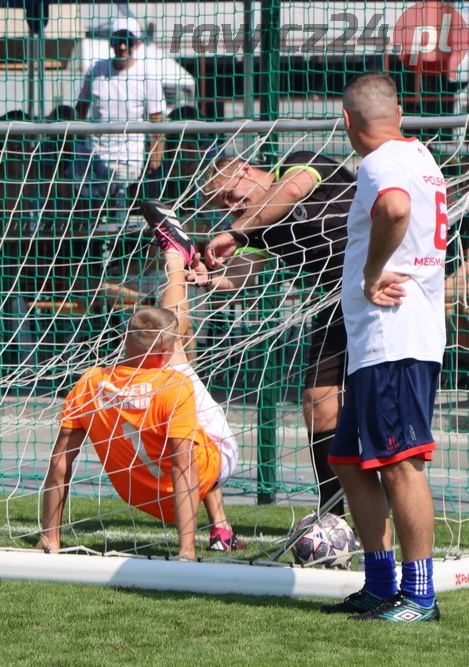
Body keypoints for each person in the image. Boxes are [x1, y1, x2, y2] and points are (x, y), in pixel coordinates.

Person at [38, 225, 242, 558]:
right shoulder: (174, 384)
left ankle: (221, 526)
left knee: (176, 345)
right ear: (160, 354)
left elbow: (60, 462)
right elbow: (183, 469)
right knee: (179, 341)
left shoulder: (89, 382)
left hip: (139, 495)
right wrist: (186, 552)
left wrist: (51, 538)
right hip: (196, 481)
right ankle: (175, 258)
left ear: (123, 341)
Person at [320, 72, 444, 622]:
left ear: (347, 121)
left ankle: (420, 596)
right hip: (385, 340)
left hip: (394, 334)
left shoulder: (378, 165)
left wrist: (372, 273)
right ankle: (378, 582)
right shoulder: (420, 155)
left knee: (399, 465)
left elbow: (393, 209)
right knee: (348, 458)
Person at [191, 148, 357, 518]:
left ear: (247, 169)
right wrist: (207, 278)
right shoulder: (255, 226)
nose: (231, 205)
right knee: (317, 402)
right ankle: (332, 515)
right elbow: (239, 275)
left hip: (383, 294)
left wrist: (236, 230)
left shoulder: (301, 162)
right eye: (223, 205)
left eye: (230, 195)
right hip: (335, 309)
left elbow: (291, 192)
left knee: (379, 416)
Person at [75, 17, 164, 206]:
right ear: (111, 42)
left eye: (128, 41)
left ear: (137, 44)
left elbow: (157, 122)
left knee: (116, 191)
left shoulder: (148, 75)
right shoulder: (96, 69)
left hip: (128, 158)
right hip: (94, 156)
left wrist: (155, 162)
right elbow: (80, 110)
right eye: (118, 41)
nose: (122, 47)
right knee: (69, 183)